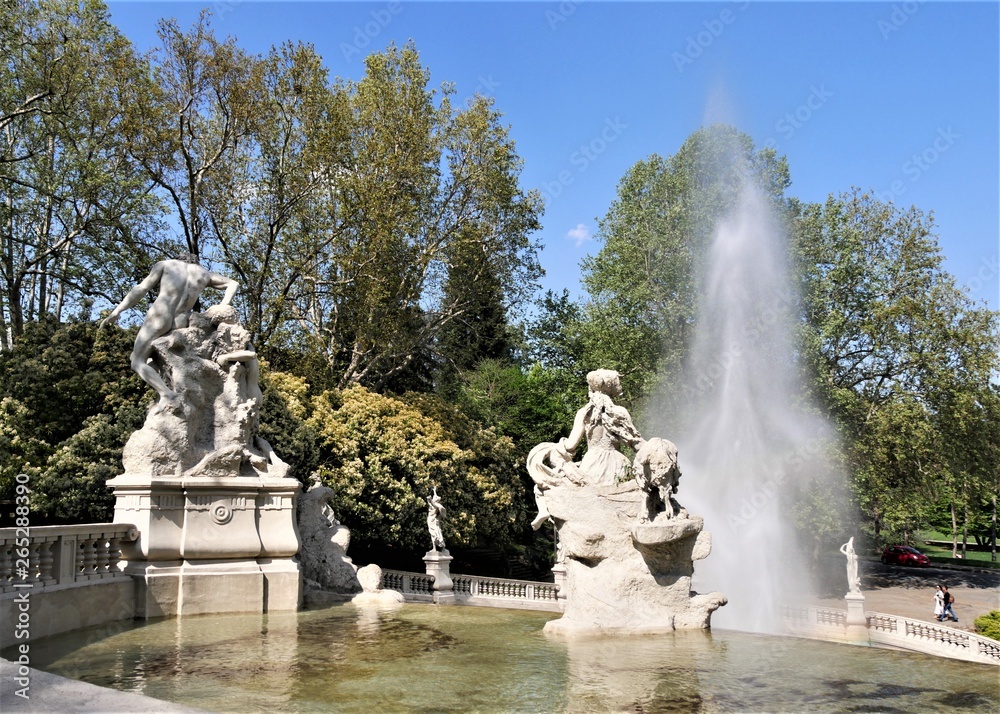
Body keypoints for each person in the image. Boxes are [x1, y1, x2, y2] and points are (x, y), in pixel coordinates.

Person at [100, 255, 239, 406]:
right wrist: (221, 307)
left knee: (137, 360)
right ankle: (171, 392)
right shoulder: (204, 274)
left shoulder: (165, 265)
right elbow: (233, 283)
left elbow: (141, 288)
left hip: (160, 315)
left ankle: (167, 395)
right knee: (157, 359)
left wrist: (117, 311)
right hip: (181, 320)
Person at [558, 369, 645, 486]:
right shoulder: (620, 412)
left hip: (591, 465)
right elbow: (636, 444)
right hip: (617, 466)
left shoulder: (584, 413)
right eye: (618, 383)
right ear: (612, 387)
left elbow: (570, 445)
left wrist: (557, 447)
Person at [426, 487, 446, 552]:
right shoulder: (431, 505)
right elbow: (430, 502)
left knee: (436, 533)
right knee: (432, 534)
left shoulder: (436, 506)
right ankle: (434, 548)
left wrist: (430, 499)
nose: (435, 497)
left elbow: (432, 503)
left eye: (435, 498)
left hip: (434, 520)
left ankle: (441, 546)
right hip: (430, 520)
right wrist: (434, 490)